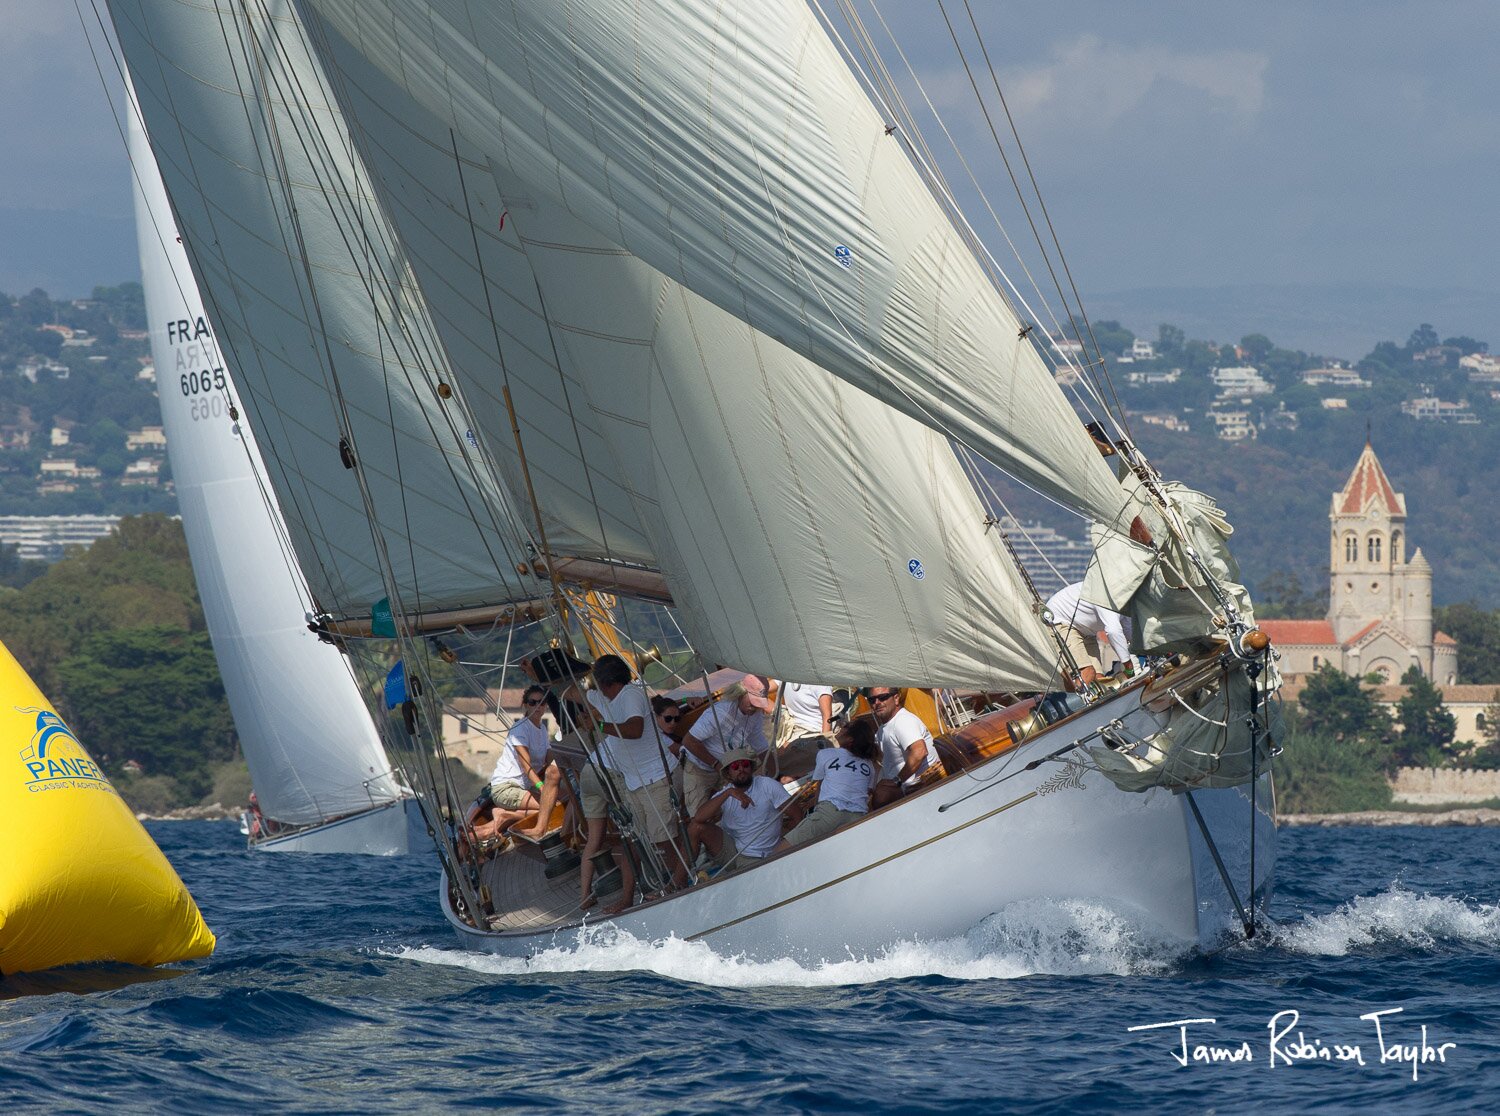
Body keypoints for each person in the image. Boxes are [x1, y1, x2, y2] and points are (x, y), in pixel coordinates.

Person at [575, 654, 684, 912]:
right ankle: (627, 899)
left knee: (663, 842)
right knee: (633, 843)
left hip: (657, 779)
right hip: (636, 784)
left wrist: (599, 724)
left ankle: (677, 886)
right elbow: (571, 692)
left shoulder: (632, 695)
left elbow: (635, 729)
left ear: (605, 682)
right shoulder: (603, 697)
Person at [473, 684, 564, 841]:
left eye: (541, 702)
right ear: (525, 705)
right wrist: (543, 789)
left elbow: (551, 762)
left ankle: (503, 817)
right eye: (532, 702)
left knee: (560, 799)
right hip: (505, 788)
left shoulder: (542, 730)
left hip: (522, 788)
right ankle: (505, 815)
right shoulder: (520, 729)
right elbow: (527, 767)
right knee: (552, 805)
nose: (537, 706)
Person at [685, 748, 787, 881]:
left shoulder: (767, 785)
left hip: (762, 855)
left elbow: (796, 814)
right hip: (735, 852)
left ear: (751, 768)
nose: (741, 769)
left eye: (745, 764)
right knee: (695, 827)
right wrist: (729, 793)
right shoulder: (725, 793)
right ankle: (676, 883)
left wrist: (786, 849)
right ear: (728, 774)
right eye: (735, 766)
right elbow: (698, 818)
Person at [777, 718, 879, 850]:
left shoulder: (826, 753)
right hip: (857, 817)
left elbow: (819, 787)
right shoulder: (869, 765)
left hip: (830, 811)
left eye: (846, 727)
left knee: (781, 851)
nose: (841, 727)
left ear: (850, 740)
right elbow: (867, 793)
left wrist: (814, 810)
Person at [678, 675, 772, 815]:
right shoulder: (721, 712)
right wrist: (716, 765)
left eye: (758, 704)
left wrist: (776, 775)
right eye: (752, 703)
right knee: (700, 814)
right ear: (741, 693)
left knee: (744, 805)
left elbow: (761, 747)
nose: (754, 708)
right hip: (698, 766)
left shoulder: (755, 714)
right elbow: (689, 741)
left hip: (728, 765)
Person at [1044, 580, 1133, 686]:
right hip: (1061, 622)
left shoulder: (1127, 601)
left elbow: (1129, 631)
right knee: (1087, 673)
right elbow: (1113, 631)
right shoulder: (1107, 593)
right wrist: (1129, 667)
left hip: (1085, 630)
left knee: (1099, 680)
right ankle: (1080, 699)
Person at [868, 688, 939, 807]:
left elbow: (920, 751)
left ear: (896, 698)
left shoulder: (902, 721)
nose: (877, 702)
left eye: (883, 697)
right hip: (903, 791)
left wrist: (897, 781)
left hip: (918, 789)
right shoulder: (884, 728)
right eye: (872, 699)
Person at [771, 678, 834, 778]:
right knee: (772, 760)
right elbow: (764, 687)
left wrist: (824, 745)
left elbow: (827, 715)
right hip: (793, 730)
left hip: (813, 732)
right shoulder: (785, 676)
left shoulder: (820, 684)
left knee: (782, 759)